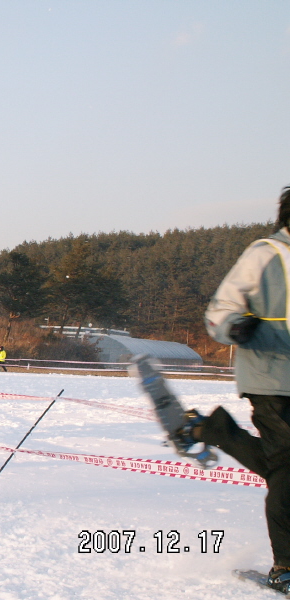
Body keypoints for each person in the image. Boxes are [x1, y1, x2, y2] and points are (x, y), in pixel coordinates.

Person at [190, 186, 290, 593]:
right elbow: (219, 310)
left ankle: (217, 432)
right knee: (288, 468)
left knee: (285, 468)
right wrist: (236, 326)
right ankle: (285, 566)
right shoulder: (264, 253)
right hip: (271, 376)